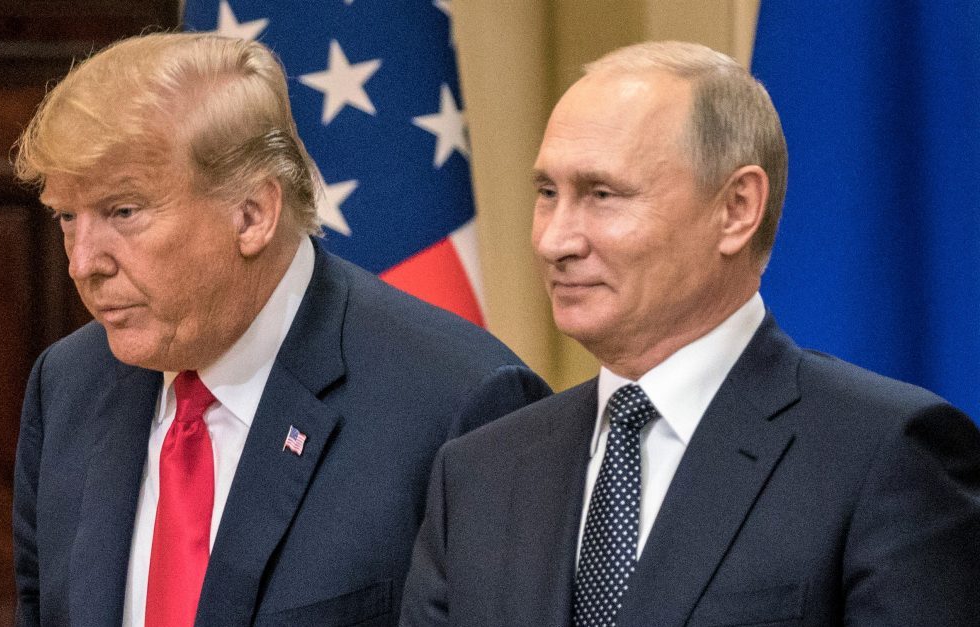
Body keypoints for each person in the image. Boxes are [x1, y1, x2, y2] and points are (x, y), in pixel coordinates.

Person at [400, 40, 980, 627]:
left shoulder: (883, 455)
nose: (556, 240)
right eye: (548, 194)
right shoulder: (478, 474)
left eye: (603, 194)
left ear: (735, 208)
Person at [11, 32, 551, 627]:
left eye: (123, 212)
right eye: (66, 216)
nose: (84, 262)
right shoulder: (69, 384)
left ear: (252, 215)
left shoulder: (461, 406)